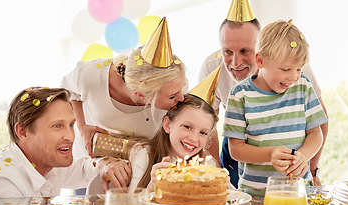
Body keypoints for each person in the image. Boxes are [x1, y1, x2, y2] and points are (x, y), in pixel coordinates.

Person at [198, 0, 328, 187]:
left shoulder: (299, 76)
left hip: (296, 185)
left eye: (244, 51)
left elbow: (318, 129)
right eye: (228, 51)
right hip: (252, 172)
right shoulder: (233, 88)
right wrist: (214, 172)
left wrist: (309, 164)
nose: (236, 62)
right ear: (262, 60)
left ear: (257, 51)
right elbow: (210, 130)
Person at [61, 17, 187, 192]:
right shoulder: (92, 76)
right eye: (173, 96)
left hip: (147, 172)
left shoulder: (174, 86)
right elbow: (67, 91)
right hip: (97, 166)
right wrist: (82, 126)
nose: (181, 98)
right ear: (141, 96)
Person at [0, 87, 109, 205]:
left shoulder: (46, 161)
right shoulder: (3, 186)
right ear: (23, 132)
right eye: (57, 126)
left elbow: (82, 168)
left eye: (71, 125)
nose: (70, 137)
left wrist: (104, 165)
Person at [128, 93, 219, 192]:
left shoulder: (207, 165)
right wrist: (151, 187)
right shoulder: (145, 154)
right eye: (187, 127)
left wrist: (222, 188)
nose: (193, 138)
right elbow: (132, 204)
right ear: (167, 125)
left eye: (203, 133)